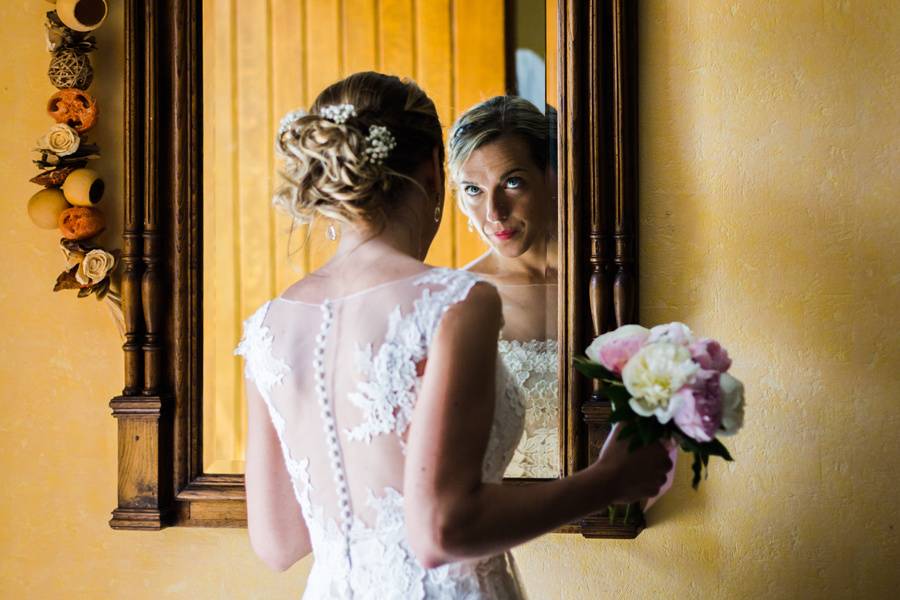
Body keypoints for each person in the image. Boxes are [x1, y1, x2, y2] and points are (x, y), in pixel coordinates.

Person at [235, 72, 671, 599]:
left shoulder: (267, 327)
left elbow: (277, 543)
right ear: (433, 178)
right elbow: (441, 531)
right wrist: (610, 480)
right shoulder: (452, 299)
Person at [449, 96, 560, 478]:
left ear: (553, 177)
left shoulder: (606, 282)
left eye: (512, 182)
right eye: (474, 190)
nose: (494, 213)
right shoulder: (460, 297)